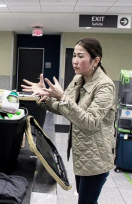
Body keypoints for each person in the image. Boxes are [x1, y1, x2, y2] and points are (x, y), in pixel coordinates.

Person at [21, 37, 116, 204]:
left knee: (86, 201)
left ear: (96, 60)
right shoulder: (77, 80)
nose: (75, 61)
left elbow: (90, 122)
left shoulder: (105, 86)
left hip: (96, 158)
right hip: (82, 155)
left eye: (80, 56)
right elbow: (62, 108)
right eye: (74, 56)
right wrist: (44, 96)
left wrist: (62, 97)